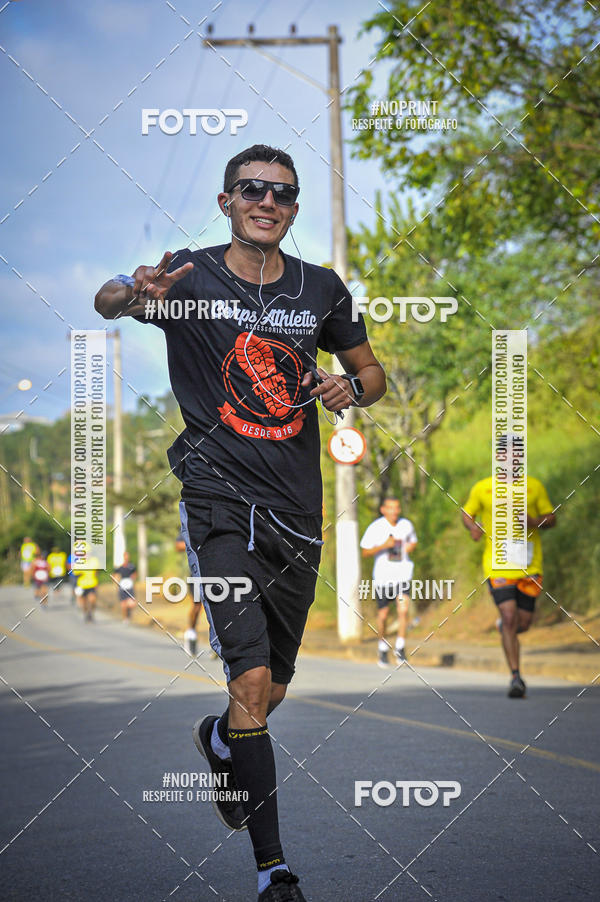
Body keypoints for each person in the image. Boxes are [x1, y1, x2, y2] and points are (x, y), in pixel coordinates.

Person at [95, 143, 386, 902]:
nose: (268, 201)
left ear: (293, 207)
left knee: (270, 692)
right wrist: (131, 290)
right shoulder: (189, 276)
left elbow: (373, 372)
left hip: (297, 509)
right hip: (219, 501)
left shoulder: (321, 288)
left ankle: (223, 741)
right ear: (227, 201)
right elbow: (110, 300)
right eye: (252, 189)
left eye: (283, 193)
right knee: (249, 677)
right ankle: (273, 871)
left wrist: (349, 385)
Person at [462, 470, 556, 698]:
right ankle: (516, 676)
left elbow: (551, 518)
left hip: (529, 568)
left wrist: (534, 521)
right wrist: (473, 527)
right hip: (497, 567)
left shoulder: (533, 486)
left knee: (522, 623)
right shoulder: (483, 487)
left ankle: (504, 628)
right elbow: (467, 513)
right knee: (509, 616)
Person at [360, 496, 418, 667]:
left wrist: (408, 548)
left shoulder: (406, 525)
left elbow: (413, 541)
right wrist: (384, 546)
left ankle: (400, 647)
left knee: (403, 610)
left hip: (402, 575)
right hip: (383, 577)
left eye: (397, 507)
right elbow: (365, 552)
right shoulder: (376, 527)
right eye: (390, 508)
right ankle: (382, 647)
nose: (394, 511)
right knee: (383, 615)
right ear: (383, 510)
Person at [72, 555, 100, 622]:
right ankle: (86, 613)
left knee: (92, 600)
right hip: (82, 585)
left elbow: (96, 572)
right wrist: (80, 572)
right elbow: (74, 573)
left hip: (92, 584)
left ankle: (91, 613)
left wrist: (97, 582)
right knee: (83, 603)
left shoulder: (94, 560)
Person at [112, 550, 137, 623]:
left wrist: (133, 578)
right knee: (123, 605)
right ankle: (125, 619)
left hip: (130, 586)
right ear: (123, 557)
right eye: (125, 556)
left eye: (127, 556)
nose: (126, 557)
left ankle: (128, 613)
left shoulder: (132, 566)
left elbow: (135, 574)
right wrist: (115, 581)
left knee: (132, 604)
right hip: (122, 587)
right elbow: (114, 575)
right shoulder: (120, 567)